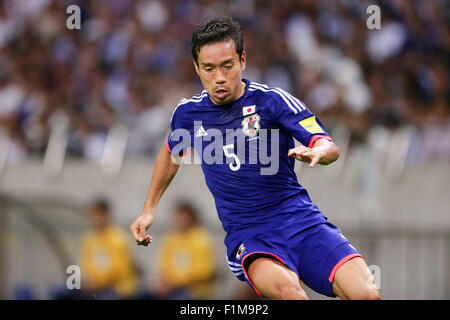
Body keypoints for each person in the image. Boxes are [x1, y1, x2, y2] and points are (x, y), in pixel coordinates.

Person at [130, 17, 380, 300]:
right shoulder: (188, 114)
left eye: (227, 66)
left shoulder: (272, 101)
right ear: (196, 68)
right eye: (209, 69)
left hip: (301, 220)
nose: (220, 77)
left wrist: (320, 151)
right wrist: (149, 209)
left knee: (367, 294)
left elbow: (327, 144)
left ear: (243, 60)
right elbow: (170, 153)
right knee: (290, 293)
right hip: (250, 235)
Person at [152, 201, 216, 299]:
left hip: (194, 290)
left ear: (191, 217)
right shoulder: (171, 238)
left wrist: (174, 283)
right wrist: (164, 283)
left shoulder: (201, 238)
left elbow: (203, 272)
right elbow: (163, 267)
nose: (180, 220)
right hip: (171, 288)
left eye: (183, 216)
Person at [80, 198, 138, 299]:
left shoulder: (119, 238)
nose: (95, 218)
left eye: (98, 215)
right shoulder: (89, 238)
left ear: (106, 215)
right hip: (94, 286)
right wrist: (88, 281)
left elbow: (118, 270)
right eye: (93, 215)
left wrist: (97, 283)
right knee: (61, 291)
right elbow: (86, 264)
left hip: (117, 287)